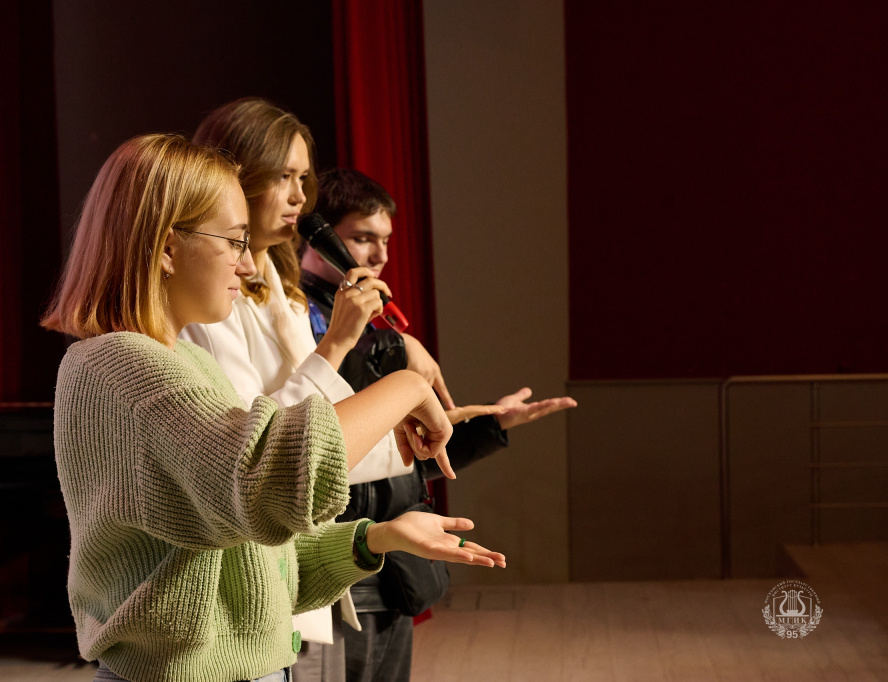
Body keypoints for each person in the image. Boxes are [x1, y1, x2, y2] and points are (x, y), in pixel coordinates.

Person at [41, 134, 505, 682]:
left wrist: (376, 536)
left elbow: (252, 560)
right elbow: (265, 481)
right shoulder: (120, 363)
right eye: (234, 241)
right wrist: (404, 386)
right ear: (167, 248)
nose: (247, 265)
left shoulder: (183, 360)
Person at [179, 98, 466, 682]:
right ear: (232, 175)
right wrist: (338, 345)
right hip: (248, 572)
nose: (297, 198)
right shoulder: (207, 301)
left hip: (304, 557)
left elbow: (321, 432)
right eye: (282, 177)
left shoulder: (279, 288)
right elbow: (259, 453)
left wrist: (413, 438)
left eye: (303, 179)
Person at [300, 167, 576, 682]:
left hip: (392, 565)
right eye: (362, 238)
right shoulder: (304, 320)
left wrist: (489, 424)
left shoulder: (366, 328)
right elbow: (318, 443)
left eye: (385, 241)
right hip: (339, 562)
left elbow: (402, 457)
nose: (380, 256)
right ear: (318, 238)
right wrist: (396, 345)